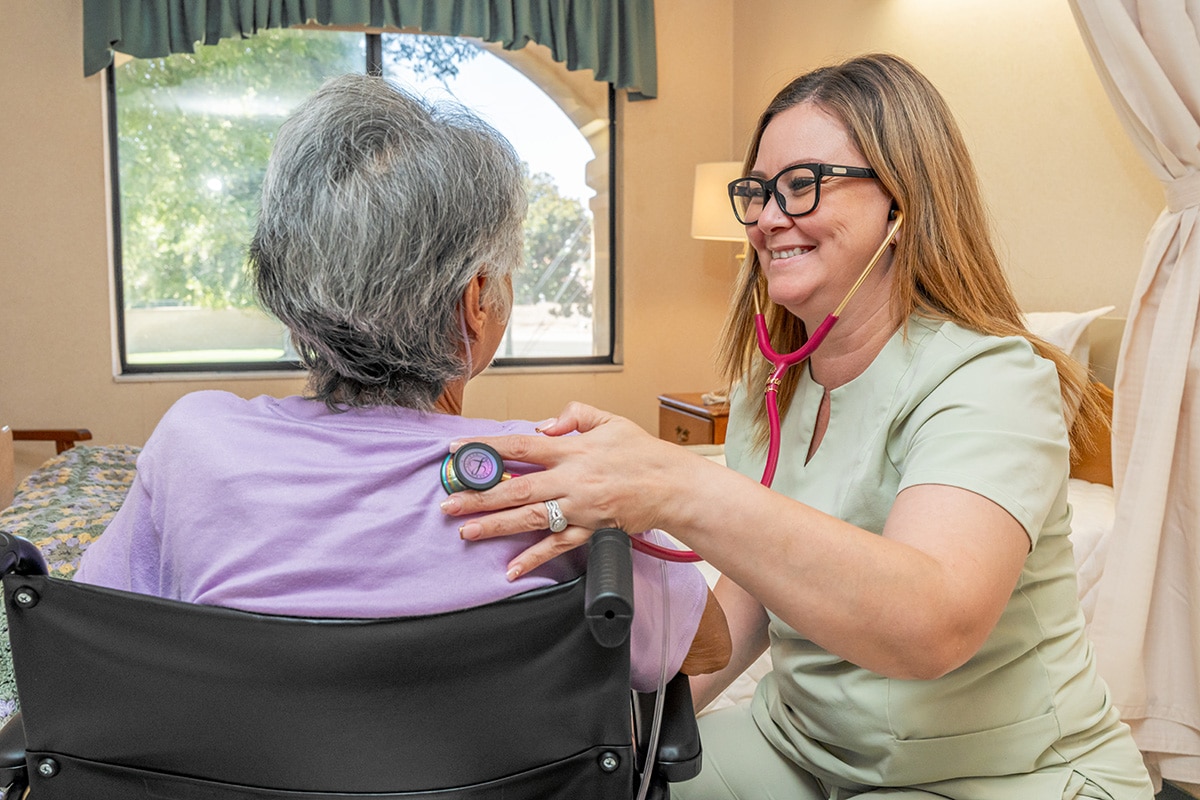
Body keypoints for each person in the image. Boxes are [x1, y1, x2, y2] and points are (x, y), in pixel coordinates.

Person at [439, 54, 1155, 798]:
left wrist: (676, 484)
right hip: (798, 747)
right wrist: (611, 736)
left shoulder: (993, 379)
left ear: (901, 202)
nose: (766, 217)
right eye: (757, 191)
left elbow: (933, 622)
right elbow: (750, 607)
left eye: (802, 186)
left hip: (999, 775)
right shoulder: (769, 388)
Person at [74, 73, 730, 693]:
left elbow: (92, 638)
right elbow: (704, 649)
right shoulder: (560, 473)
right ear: (477, 298)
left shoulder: (194, 438)